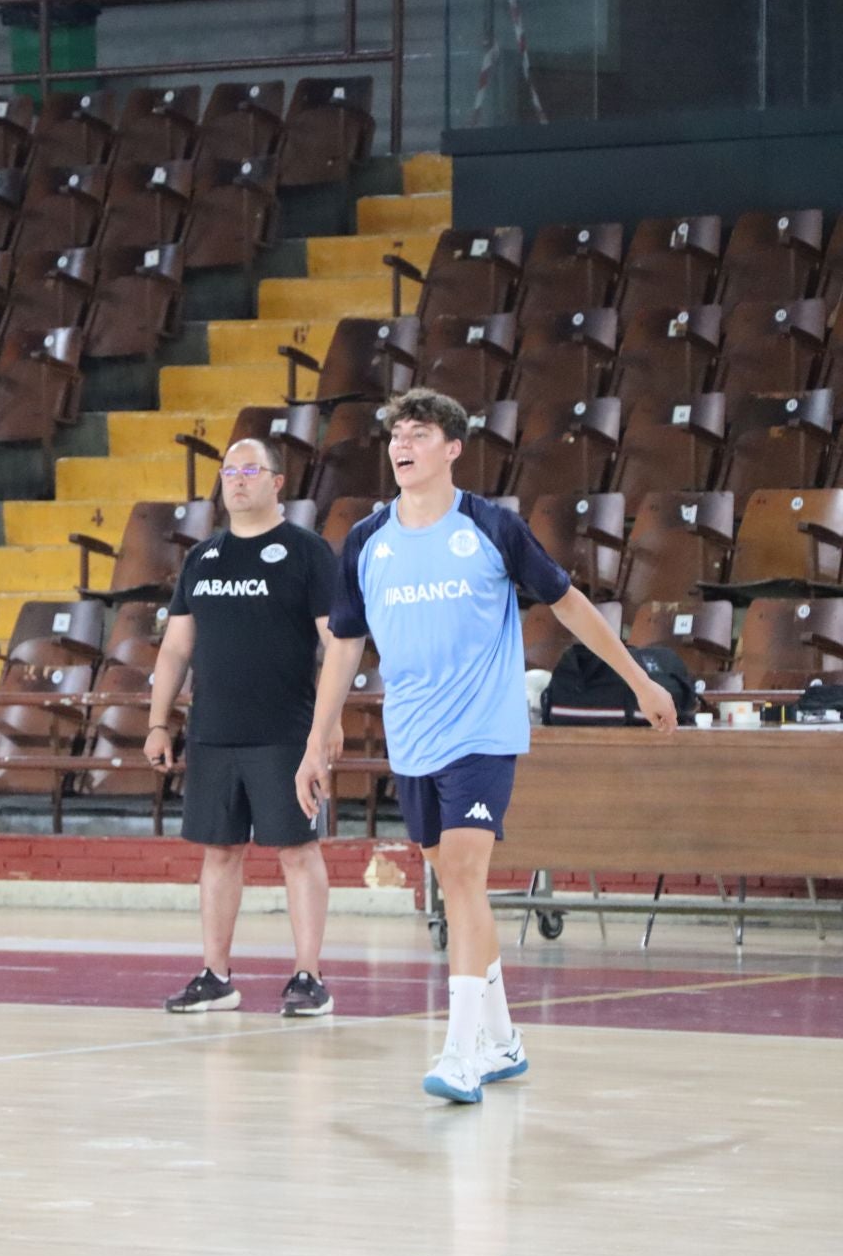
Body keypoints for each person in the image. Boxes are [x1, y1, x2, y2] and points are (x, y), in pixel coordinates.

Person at [293, 389, 677, 1104]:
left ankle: (460, 1050)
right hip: (413, 738)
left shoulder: (492, 529)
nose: (402, 445)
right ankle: (502, 1039)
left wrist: (638, 682)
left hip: (483, 731)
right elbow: (344, 645)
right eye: (396, 435)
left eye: (418, 433)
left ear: (452, 448)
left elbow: (568, 604)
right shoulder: (368, 541)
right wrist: (318, 740)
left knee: (464, 878)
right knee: (452, 881)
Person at [147, 438, 339, 1017]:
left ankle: (308, 976)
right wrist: (159, 722)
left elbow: (337, 644)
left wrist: (326, 727)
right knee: (220, 852)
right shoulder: (202, 558)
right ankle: (215, 975)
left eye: (250, 469)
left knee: (297, 851)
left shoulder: (308, 553)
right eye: (229, 470)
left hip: (287, 734)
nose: (237, 479)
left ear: (277, 483)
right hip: (213, 732)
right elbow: (176, 648)